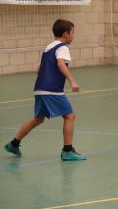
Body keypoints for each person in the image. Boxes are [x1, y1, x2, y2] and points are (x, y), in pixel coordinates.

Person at [4, 19, 86, 161]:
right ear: (66, 34)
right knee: (70, 116)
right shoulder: (63, 47)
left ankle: (14, 144)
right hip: (52, 90)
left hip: (39, 89)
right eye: (73, 33)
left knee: (38, 119)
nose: (73, 36)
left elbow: (38, 69)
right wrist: (72, 81)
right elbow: (61, 64)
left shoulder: (48, 47)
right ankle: (67, 151)